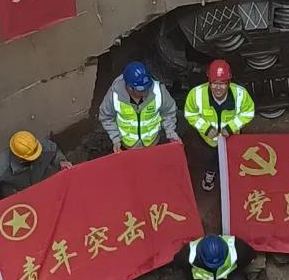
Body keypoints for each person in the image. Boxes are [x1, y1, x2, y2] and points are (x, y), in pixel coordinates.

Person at [184, 59, 256, 191]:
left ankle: (233, 178)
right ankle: (210, 174)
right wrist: (206, 129)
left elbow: (248, 112)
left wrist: (231, 128)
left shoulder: (240, 94)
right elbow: (190, 114)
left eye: (222, 83)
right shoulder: (196, 94)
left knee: (234, 159)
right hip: (208, 140)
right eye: (214, 83)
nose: (218, 87)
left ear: (229, 82)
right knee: (211, 160)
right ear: (209, 81)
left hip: (232, 138)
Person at [0, 130, 72, 213]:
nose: (37, 156)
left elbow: (55, 152)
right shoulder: (1, 166)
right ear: (20, 158)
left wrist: (61, 161)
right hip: (18, 197)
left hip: (42, 187)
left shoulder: (40, 147)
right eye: (32, 157)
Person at [98, 61, 181, 151]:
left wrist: (171, 132)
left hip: (153, 143)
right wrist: (116, 139)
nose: (146, 92)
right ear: (130, 87)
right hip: (126, 146)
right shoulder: (114, 96)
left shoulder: (159, 91)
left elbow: (169, 112)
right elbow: (106, 117)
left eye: (147, 87)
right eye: (141, 90)